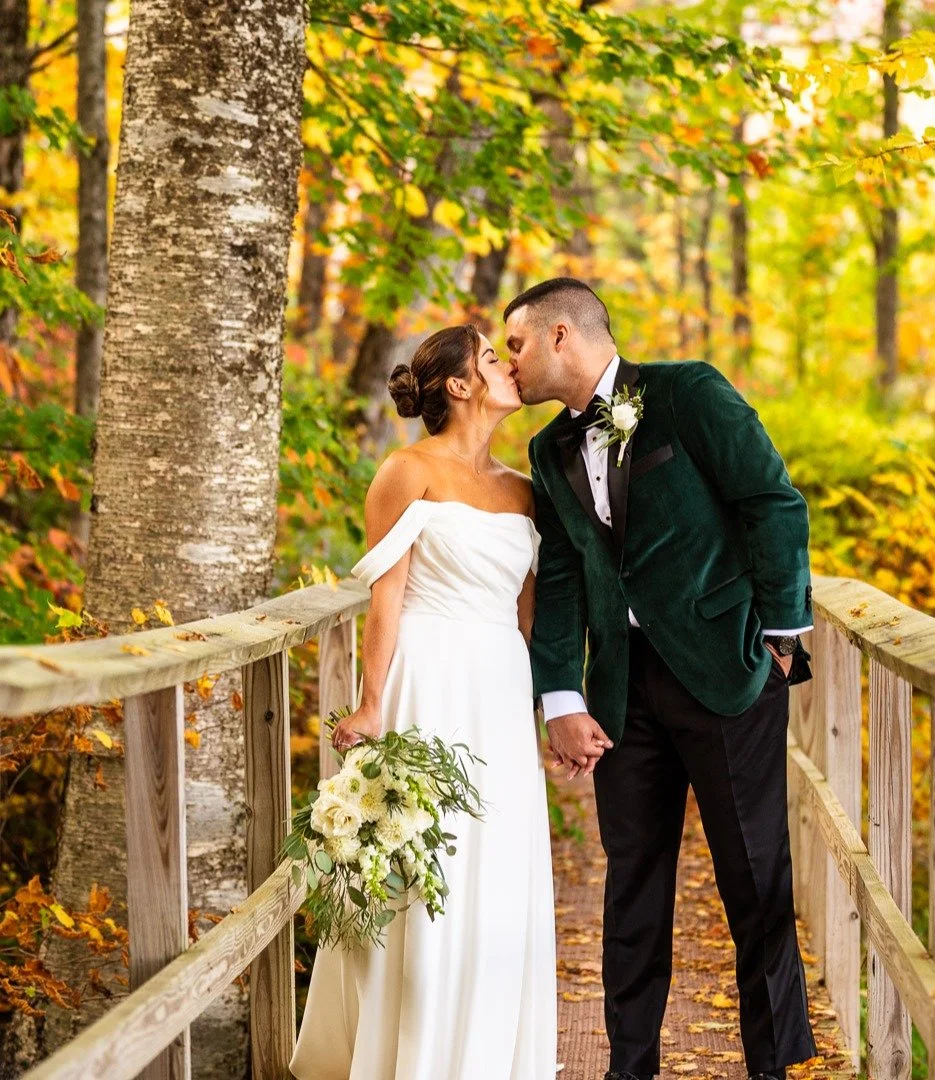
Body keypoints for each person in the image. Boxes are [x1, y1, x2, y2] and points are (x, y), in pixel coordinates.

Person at [507, 277, 817, 1080]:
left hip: (728, 674)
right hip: (622, 692)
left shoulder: (688, 393)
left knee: (755, 881)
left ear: (562, 337)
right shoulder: (546, 450)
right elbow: (563, 575)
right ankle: (629, 1068)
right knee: (632, 890)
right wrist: (562, 696)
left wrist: (781, 638)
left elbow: (772, 502)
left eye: (516, 344)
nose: (510, 362)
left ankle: (771, 1067)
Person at [289, 325, 557, 1080]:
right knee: (422, 862)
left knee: (495, 865)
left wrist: (549, 706)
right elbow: (388, 597)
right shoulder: (406, 471)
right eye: (493, 357)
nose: (509, 366)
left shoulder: (523, 490)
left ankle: (487, 1055)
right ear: (461, 386)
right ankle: (409, 1055)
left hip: (500, 691)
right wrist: (371, 703)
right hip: (427, 679)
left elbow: (529, 614)